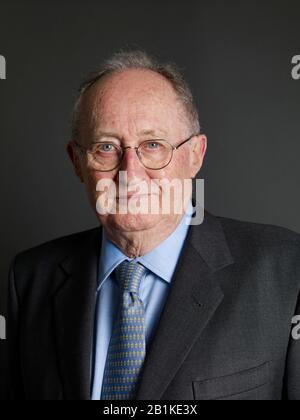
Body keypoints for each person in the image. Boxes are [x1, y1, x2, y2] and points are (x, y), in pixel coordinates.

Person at [8, 50, 300, 400]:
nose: (130, 173)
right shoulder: (30, 280)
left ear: (195, 155)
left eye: (152, 145)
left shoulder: (285, 270)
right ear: (77, 161)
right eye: (106, 147)